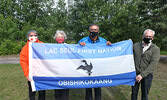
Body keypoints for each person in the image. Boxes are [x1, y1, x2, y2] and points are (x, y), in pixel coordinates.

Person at [78, 24, 111, 100]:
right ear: (89, 31)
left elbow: (109, 53)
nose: (93, 31)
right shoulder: (83, 41)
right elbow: (76, 52)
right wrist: (79, 46)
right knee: (88, 90)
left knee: (98, 89)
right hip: (88, 70)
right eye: (92, 30)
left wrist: (110, 46)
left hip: (98, 69)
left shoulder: (103, 41)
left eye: (95, 30)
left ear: (98, 31)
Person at [131, 29, 160, 100]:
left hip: (147, 75)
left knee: (144, 94)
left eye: (150, 36)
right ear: (143, 36)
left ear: (152, 38)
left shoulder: (155, 49)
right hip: (135, 73)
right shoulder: (135, 46)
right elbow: (125, 51)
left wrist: (142, 75)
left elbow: (153, 64)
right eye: (146, 36)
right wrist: (128, 43)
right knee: (134, 93)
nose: (148, 38)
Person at [20, 30, 45, 100]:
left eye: (35, 35)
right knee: (32, 90)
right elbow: (23, 61)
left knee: (42, 90)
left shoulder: (42, 44)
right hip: (31, 72)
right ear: (28, 37)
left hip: (41, 72)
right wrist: (26, 74)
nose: (33, 37)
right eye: (31, 35)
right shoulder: (25, 48)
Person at [53, 30, 69, 100]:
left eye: (61, 37)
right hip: (55, 72)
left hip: (65, 72)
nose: (60, 38)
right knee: (57, 91)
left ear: (64, 38)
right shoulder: (51, 47)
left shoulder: (68, 47)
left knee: (65, 91)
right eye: (58, 37)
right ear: (56, 38)